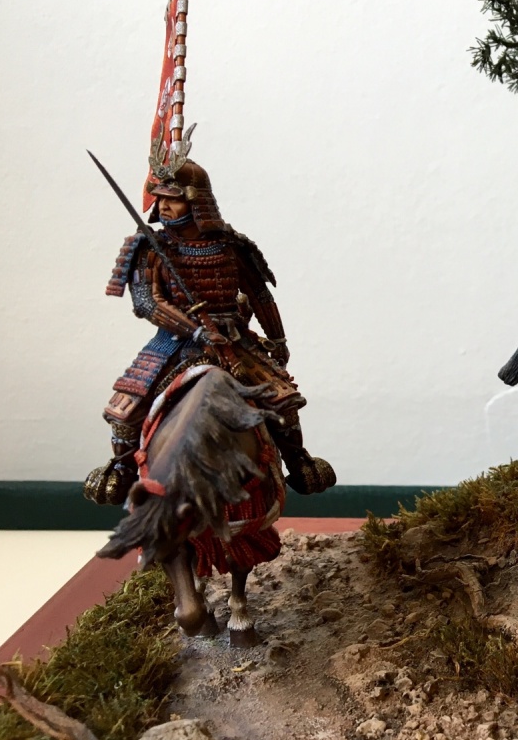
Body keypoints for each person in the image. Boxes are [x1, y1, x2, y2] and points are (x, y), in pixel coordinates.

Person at [85, 157, 336, 504]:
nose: (163, 206)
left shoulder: (231, 246)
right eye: (160, 198)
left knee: (282, 399)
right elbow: (148, 303)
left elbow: (260, 295)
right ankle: (122, 468)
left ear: (196, 201)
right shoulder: (149, 248)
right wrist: (196, 332)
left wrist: (277, 338)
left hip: (233, 339)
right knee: (128, 406)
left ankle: (298, 460)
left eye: (173, 198)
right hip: (174, 343)